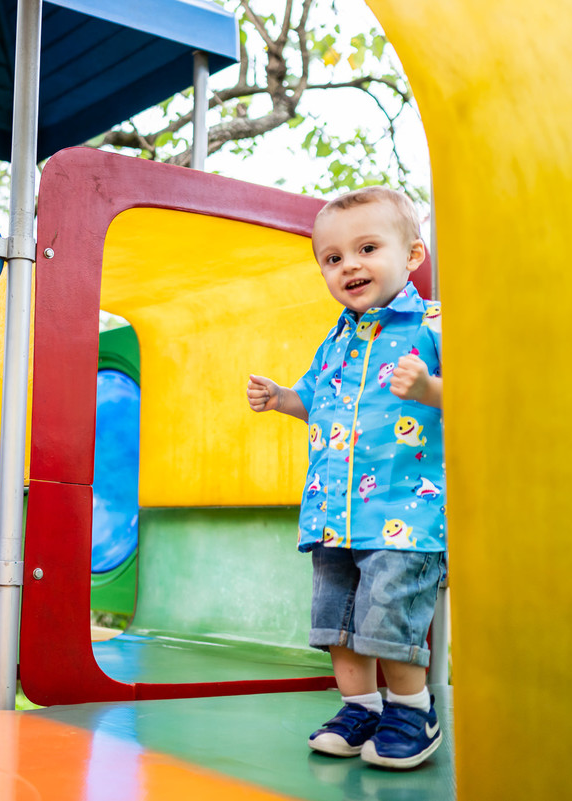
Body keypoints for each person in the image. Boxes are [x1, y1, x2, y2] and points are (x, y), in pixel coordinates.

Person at [247, 186, 446, 770]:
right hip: (333, 514)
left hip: (404, 515)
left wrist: (430, 390)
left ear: (412, 256)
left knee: (388, 617)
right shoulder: (335, 339)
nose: (348, 265)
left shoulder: (431, 325)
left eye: (366, 247)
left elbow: (478, 397)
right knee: (337, 622)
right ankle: (360, 708)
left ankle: (413, 711)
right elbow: (317, 402)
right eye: (333, 259)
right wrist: (283, 398)